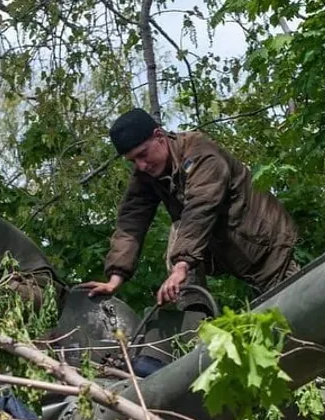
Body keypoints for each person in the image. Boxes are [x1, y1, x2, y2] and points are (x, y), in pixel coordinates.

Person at [81, 108, 300, 306]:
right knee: (179, 234)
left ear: (159, 136)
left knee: (296, 313)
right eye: (132, 161)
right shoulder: (147, 174)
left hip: (268, 247)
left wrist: (181, 266)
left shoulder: (200, 153)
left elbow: (200, 209)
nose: (141, 165)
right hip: (230, 251)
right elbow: (131, 221)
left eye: (143, 154)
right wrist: (115, 279)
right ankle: (193, 317)